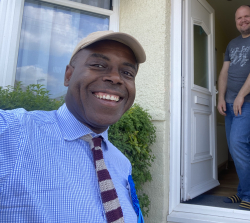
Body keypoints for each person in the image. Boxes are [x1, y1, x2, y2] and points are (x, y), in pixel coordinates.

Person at [0, 31, 147, 223]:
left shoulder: (122, 164)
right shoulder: (14, 131)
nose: (116, 78)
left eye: (127, 73)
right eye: (99, 65)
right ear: (68, 75)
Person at [217, 5, 250, 211]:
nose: (243, 20)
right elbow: (224, 72)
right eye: (239, 18)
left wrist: (241, 95)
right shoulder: (232, 44)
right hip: (229, 102)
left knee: (238, 143)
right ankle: (242, 191)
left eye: (246, 16)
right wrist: (221, 96)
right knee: (235, 149)